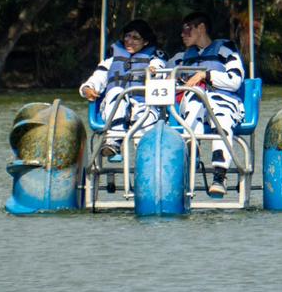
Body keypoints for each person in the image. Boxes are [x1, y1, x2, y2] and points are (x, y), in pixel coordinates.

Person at [170, 11, 245, 196]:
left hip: (222, 100)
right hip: (194, 104)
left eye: (187, 29)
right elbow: (162, 75)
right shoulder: (181, 58)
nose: (182, 34)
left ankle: (220, 175)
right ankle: (191, 160)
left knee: (221, 116)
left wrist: (206, 75)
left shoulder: (226, 51)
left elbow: (235, 80)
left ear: (201, 28)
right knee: (195, 100)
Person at [79, 19, 166, 154]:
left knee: (144, 115)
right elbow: (98, 78)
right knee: (117, 92)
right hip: (115, 107)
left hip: (143, 106)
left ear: (146, 42)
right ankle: (114, 141)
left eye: (135, 38)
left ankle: (145, 155)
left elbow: (160, 70)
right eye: (127, 36)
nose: (129, 41)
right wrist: (87, 89)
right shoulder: (111, 60)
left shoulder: (155, 59)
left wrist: (153, 71)